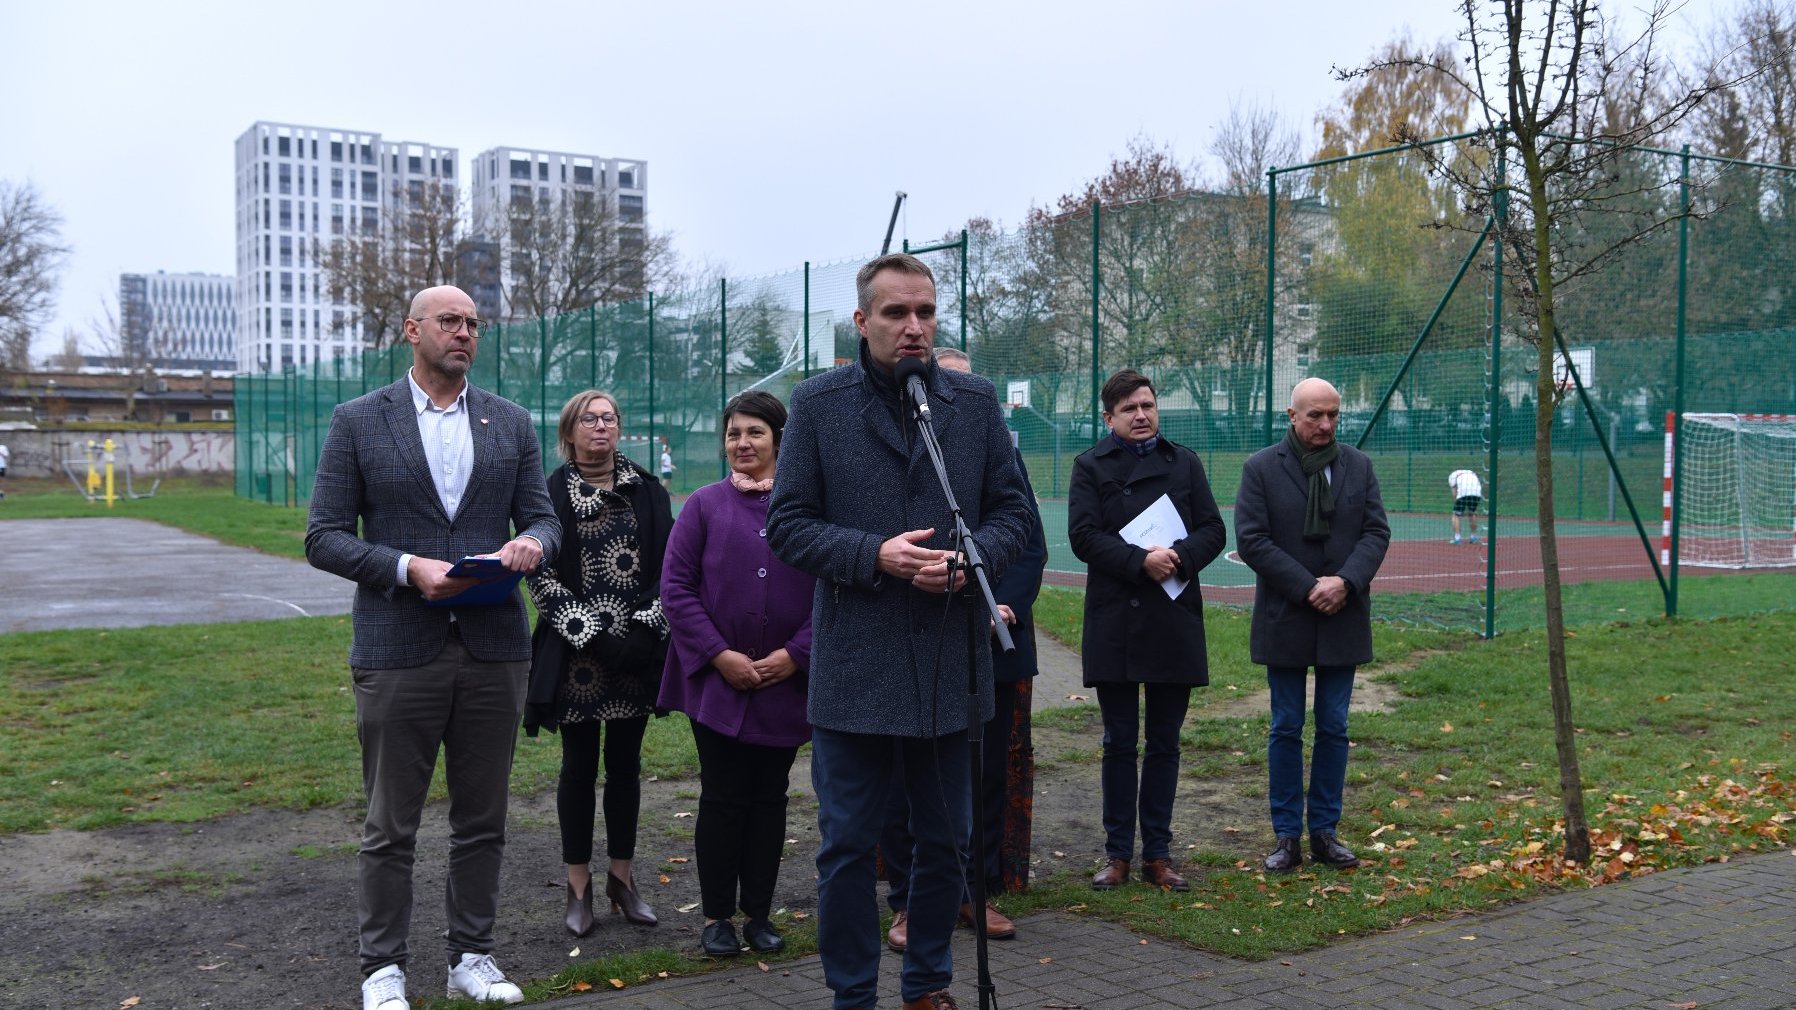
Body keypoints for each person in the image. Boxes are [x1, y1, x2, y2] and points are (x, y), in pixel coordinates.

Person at [767, 253, 1035, 1010]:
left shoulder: (974, 404)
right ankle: (853, 995)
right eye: (895, 313)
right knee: (848, 848)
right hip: (854, 665)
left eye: (924, 312)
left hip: (950, 661)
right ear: (862, 322)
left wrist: (968, 558)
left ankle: (927, 986)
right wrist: (872, 555)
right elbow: (786, 526)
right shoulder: (817, 405)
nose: (912, 326)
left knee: (947, 841)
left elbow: (1013, 513)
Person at [305, 285, 559, 1010]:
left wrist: (529, 544)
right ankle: (382, 968)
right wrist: (405, 568)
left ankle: (471, 957)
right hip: (397, 646)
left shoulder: (508, 422)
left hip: (493, 648)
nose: (465, 333)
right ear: (412, 330)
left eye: (474, 324)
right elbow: (324, 535)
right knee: (391, 825)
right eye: (450, 321)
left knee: (484, 820)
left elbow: (545, 521)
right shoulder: (358, 420)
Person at [883, 347, 1046, 951]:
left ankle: (976, 891)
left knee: (983, 774)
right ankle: (908, 901)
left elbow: (1025, 539)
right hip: (913, 641)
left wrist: (999, 603)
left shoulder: (998, 452)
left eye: (964, 387)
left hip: (991, 641)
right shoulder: (897, 454)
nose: (948, 400)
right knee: (907, 778)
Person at [658, 390, 816, 958]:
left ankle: (759, 915)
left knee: (769, 798)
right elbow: (675, 589)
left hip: (785, 683)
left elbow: (832, 590)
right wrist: (720, 655)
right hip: (716, 684)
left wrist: (796, 654)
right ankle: (717, 917)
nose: (742, 443)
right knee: (722, 797)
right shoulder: (702, 505)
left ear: (779, 439)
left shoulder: (807, 509)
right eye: (733, 434)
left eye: (755, 432)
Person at [1067, 369, 1226, 892]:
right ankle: (1118, 853)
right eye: (1129, 408)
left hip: (1172, 618)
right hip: (1116, 620)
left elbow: (1213, 529)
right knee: (1118, 741)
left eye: (1148, 406)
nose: (1142, 415)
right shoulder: (1090, 466)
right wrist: (1140, 562)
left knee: (1164, 742)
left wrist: (1177, 557)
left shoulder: (1184, 463)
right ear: (1108, 417)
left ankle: (1158, 852)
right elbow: (1083, 537)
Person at [523, 390, 672, 939]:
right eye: (589, 419)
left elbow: (672, 567)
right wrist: (591, 633)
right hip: (577, 660)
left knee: (627, 769)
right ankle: (578, 886)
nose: (600, 427)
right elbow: (539, 573)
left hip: (636, 653)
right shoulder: (548, 494)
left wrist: (643, 629)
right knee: (579, 770)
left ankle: (622, 880)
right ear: (570, 431)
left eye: (609, 418)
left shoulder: (648, 492)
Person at [1235, 378, 1391, 874]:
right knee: (1286, 726)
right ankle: (1286, 836)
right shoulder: (1261, 468)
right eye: (1315, 416)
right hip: (1287, 615)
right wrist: (1309, 587)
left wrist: (1345, 581)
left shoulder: (1358, 466)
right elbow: (1253, 540)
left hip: (1343, 615)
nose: (1326, 425)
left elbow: (1375, 532)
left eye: (1333, 416)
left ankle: (1324, 831)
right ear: (1292, 415)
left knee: (1334, 725)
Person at [1448, 468, 1482, 544]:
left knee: (1456, 515)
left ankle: (1457, 538)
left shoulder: (1452, 476)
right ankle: (1473, 537)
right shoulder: (1471, 472)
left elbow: (1454, 493)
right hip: (1476, 491)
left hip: (1463, 492)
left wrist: (1457, 506)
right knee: (1472, 513)